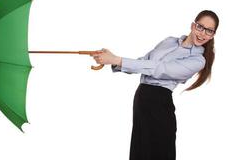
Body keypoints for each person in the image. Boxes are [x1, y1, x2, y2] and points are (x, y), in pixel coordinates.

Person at [91, 10, 219, 160]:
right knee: (139, 153)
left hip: (159, 105)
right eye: (200, 27)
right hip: (141, 101)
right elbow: (145, 61)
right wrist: (111, 60)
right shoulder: (169, 41)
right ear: (193, 25)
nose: (203, 33)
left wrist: (116, 59)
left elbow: (158, 69)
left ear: (212, 35)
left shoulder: (198, 60)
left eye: (209, 31)